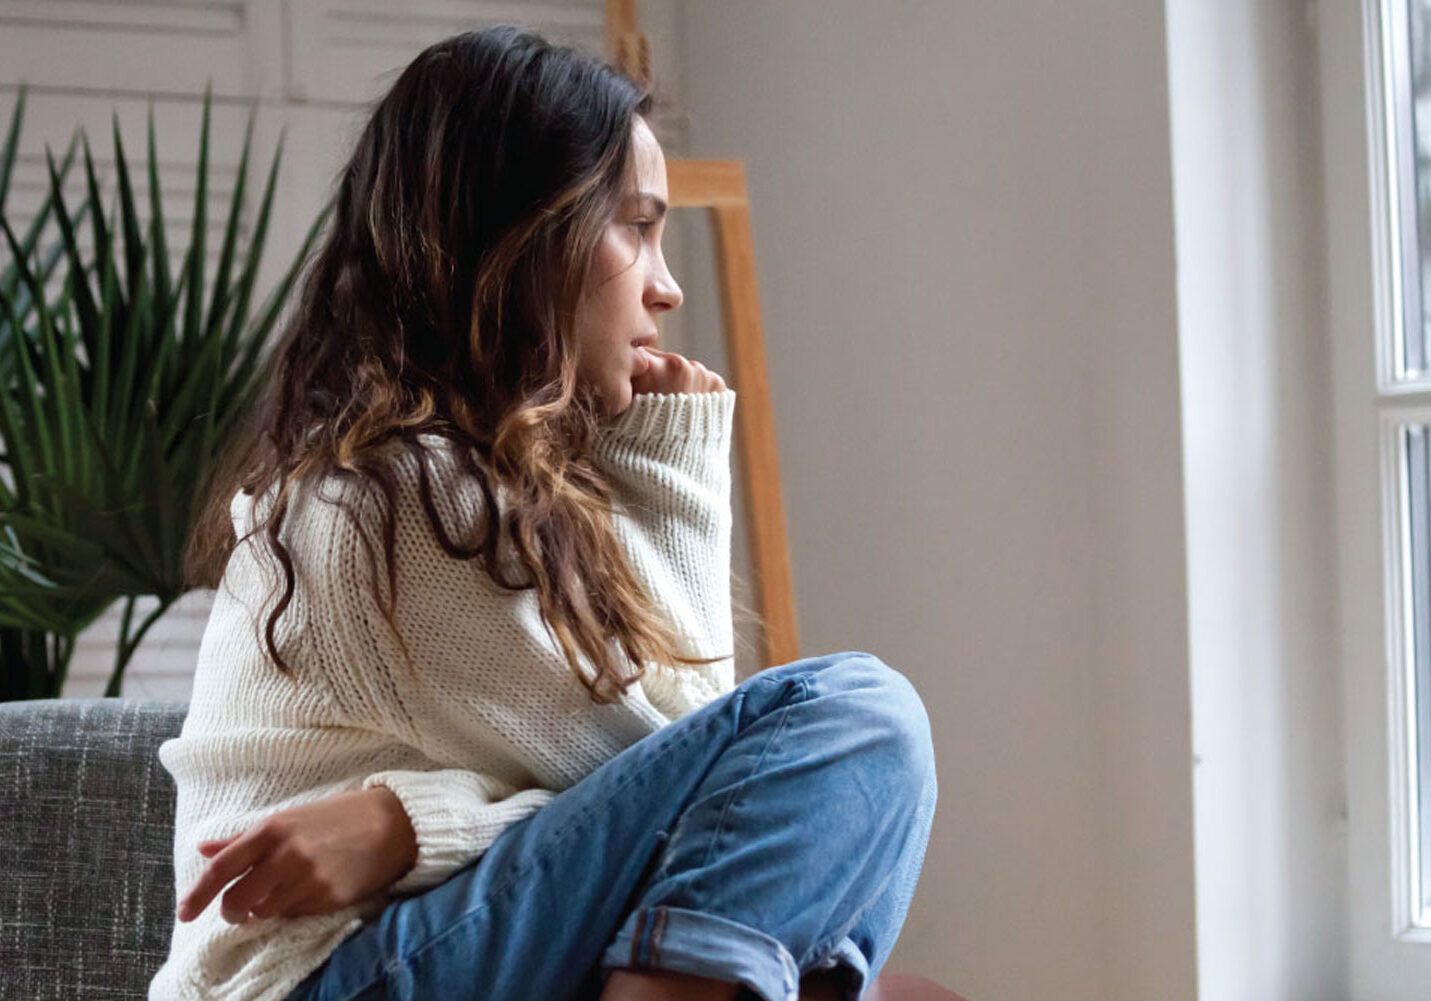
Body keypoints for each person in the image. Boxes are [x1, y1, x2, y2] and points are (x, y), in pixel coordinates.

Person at [149, 24, 937, 1001]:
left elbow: (705, 820)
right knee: (863, 721)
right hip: (322, 980)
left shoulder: (460, 479)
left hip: (406, 954)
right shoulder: (397, 498)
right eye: (637, 227)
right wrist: (675, 459)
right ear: (527, 239)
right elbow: (706, 767)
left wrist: (409, 824)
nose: (668, 283)